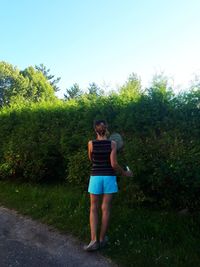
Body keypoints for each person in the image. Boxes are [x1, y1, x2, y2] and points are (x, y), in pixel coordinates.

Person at [84, 120, 132, 251]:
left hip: (95, 177)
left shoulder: (90, 144)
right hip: (109, 178)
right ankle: (102, 239)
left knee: (93, 208)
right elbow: (113, 164)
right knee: (105, 208)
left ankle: (93, 241)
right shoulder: (113, 144)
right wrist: (125, 173)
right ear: (107, 129)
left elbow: (91, 159)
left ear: (95, 130)